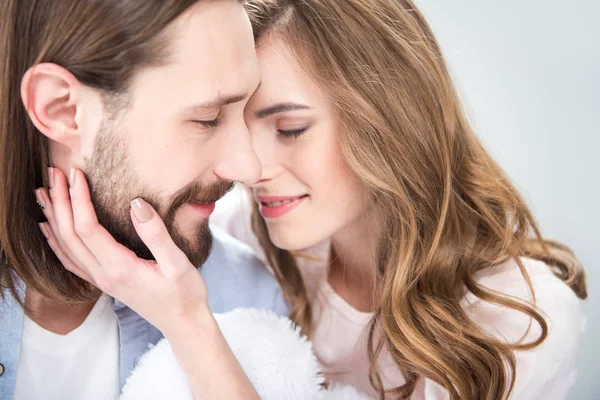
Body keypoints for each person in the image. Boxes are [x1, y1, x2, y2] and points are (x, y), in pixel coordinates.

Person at [210, 0, 588, 398]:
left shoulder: (515, 322)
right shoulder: (241, 242)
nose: (247, 169)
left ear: (390, 122)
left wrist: (193, 327)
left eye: (290, 129)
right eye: (236, 129)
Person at [0, 1, 286, 399]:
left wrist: (190, 326)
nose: (248, 168)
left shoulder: (249, 303)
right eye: (207, 118)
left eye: (246, 111)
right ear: (61, 109)